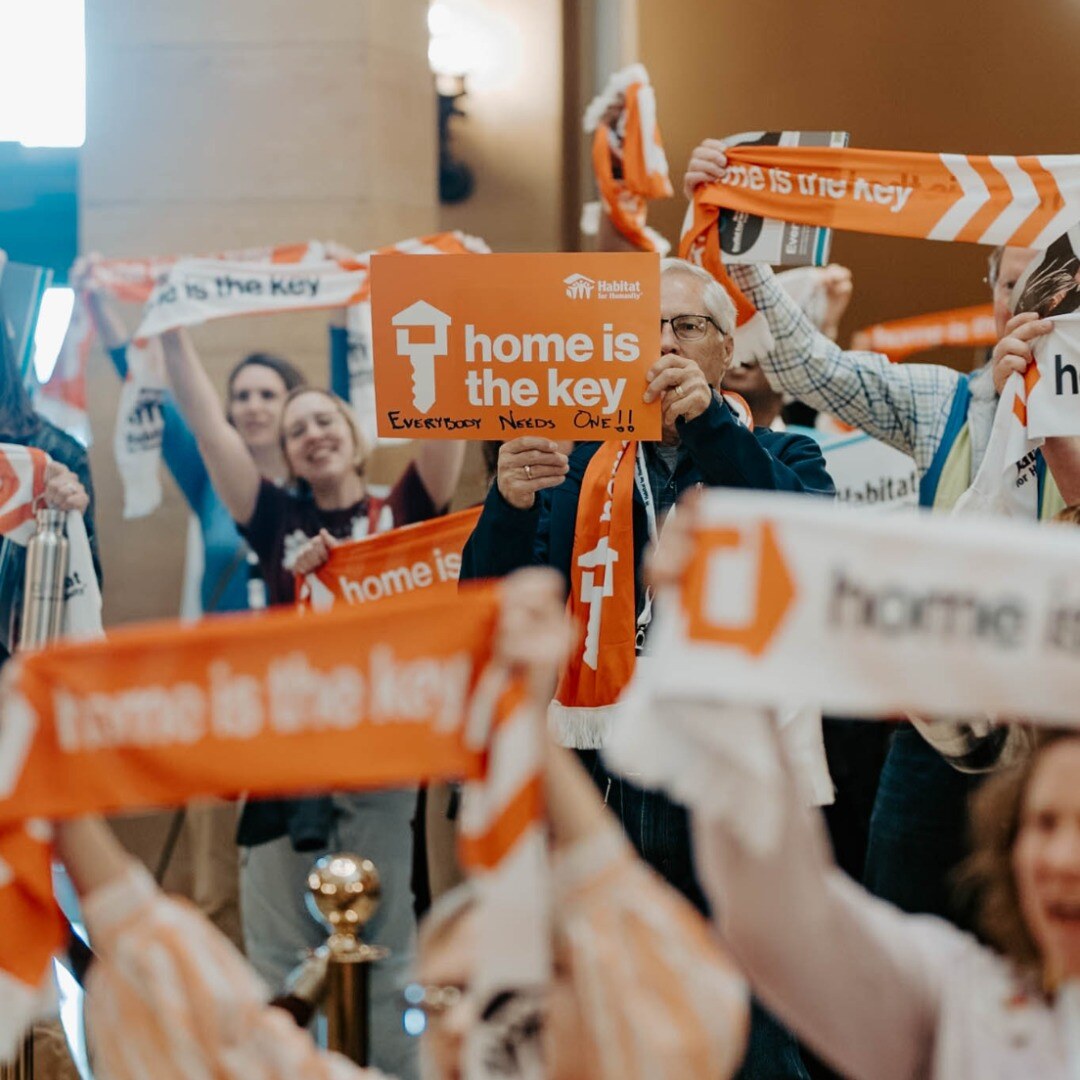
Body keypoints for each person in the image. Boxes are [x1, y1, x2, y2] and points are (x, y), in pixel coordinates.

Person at [52, 569, 750, 1080]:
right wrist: (54, 794)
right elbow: (214, 1038)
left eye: (492, 998)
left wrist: (523, 722)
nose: (458, 1020)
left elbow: (642, 942)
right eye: (434, 999)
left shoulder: (639, 1052)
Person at [461, 255, 833, 1080]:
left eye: (686, 326)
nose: (663, 342)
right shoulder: (569, 467)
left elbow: (804, 544)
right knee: (612, 999)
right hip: (607, 773)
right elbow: (488, 605)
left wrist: (713, 432)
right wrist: (508, 505)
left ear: (725, 349)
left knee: (754, 1009)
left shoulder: (784, 451)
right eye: (645, 329)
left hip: (730, 776)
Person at [682, 139, 1067, 929]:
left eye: (1049, 282)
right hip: (938, 731)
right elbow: (809, 367)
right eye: (1010, 280)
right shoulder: (941, 403)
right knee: (897, 926)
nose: (1027, 297)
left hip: (1060, 734)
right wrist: (748, 250)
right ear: (993, 294)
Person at [161, 325, 465, 1080]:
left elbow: (448, 416)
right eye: (296, 431)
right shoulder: (275, 522)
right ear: (286, 455)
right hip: (284, 765)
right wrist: (172, 326)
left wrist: (452, 306)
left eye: (323, 419)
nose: (310, 434)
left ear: (355, 434)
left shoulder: (405, 508)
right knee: (280, 957)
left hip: (381, 766)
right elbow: (205, 424)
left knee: (388, 952)